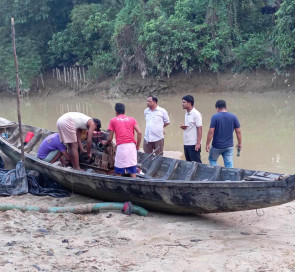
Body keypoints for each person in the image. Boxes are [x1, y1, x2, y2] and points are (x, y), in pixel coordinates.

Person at [102, 103, 142, 178]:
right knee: (132, 169)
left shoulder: (113, 120)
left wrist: (106, 142)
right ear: (124, 111)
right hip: (131, 146)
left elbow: (110, 138)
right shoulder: (132, 119)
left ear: (116, 112)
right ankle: (135, 184)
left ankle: (119, 185)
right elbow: (139, 132)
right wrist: (138, 146)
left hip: (121, 146)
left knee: (119, 170)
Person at [205, 99, 242, 168]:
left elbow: (211, 131)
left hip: (217, 146)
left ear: (217, 108)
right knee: (229, 164)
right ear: (225, 107)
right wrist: (239, 143)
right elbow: (238, 132)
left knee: (212, 159)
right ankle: (230, 177)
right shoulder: (233, 117)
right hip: (229, 146)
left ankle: (215, 175)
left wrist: (207, 144)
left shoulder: (215, 117)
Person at [180, 95, 203, 163]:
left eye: (184, 102)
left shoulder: (196, 114)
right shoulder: (187, 113)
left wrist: (198, 143)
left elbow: (200, 128)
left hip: (193, 144)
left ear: (189, 103)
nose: (182, 104)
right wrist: (184, 127)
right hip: (186, 142)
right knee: (189, 163)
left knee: (197, 163)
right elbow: (191, 126)